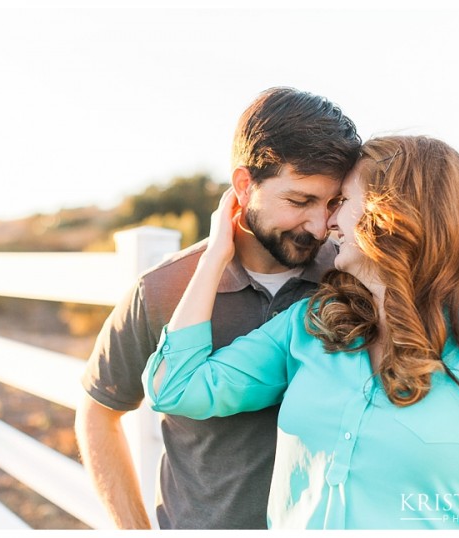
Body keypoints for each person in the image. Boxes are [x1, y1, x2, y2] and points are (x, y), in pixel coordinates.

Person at [143, 135, 459, 529]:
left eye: (341, 202)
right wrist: (215, 256)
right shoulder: (310, 325)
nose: (327, 223)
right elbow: (174, 388)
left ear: (392, 213)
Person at [77, 87, 361, 529]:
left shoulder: (351, 281)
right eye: (299, 201)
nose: (319, 225)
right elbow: (99, 411)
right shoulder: (162, 288)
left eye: (332, 203)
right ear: (245, 186)